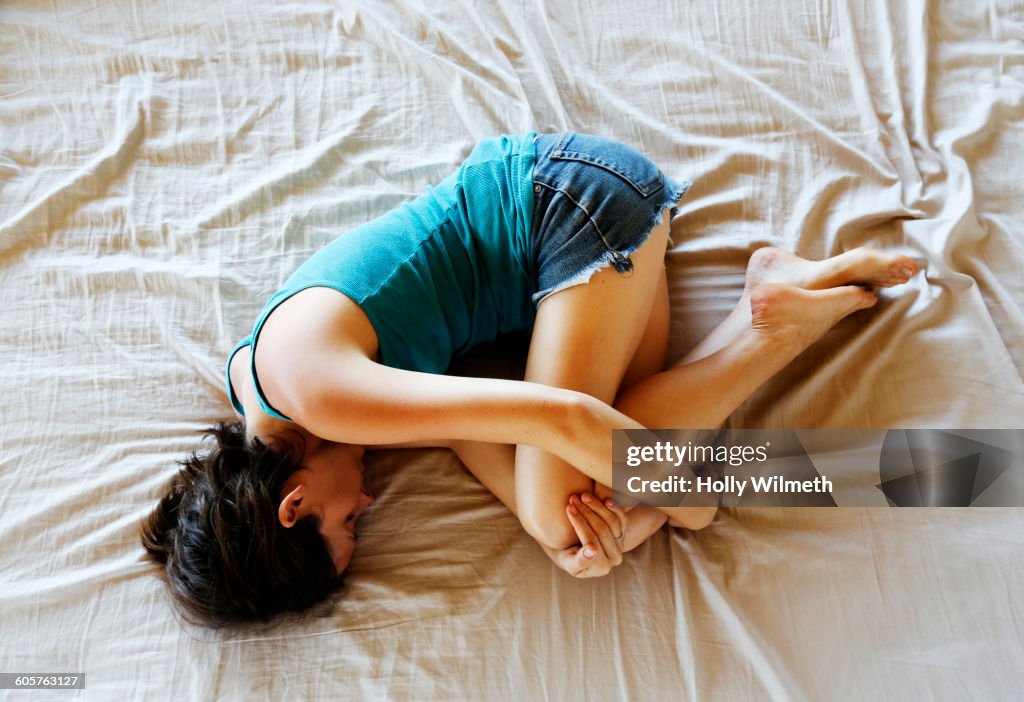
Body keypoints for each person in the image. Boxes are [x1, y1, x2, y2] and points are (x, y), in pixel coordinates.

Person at [141, 132, 918, 626]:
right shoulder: (266, 400)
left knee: (600, 495)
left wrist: (690, 502)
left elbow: (565, 420)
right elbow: (463, 424)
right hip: (578, 236)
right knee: (569, 507)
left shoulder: (319, 397)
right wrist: (571, 544)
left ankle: (768, 337)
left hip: (578, 213)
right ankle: (767, 309)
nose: (369, 505)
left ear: (293, 504)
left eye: (348, 524)